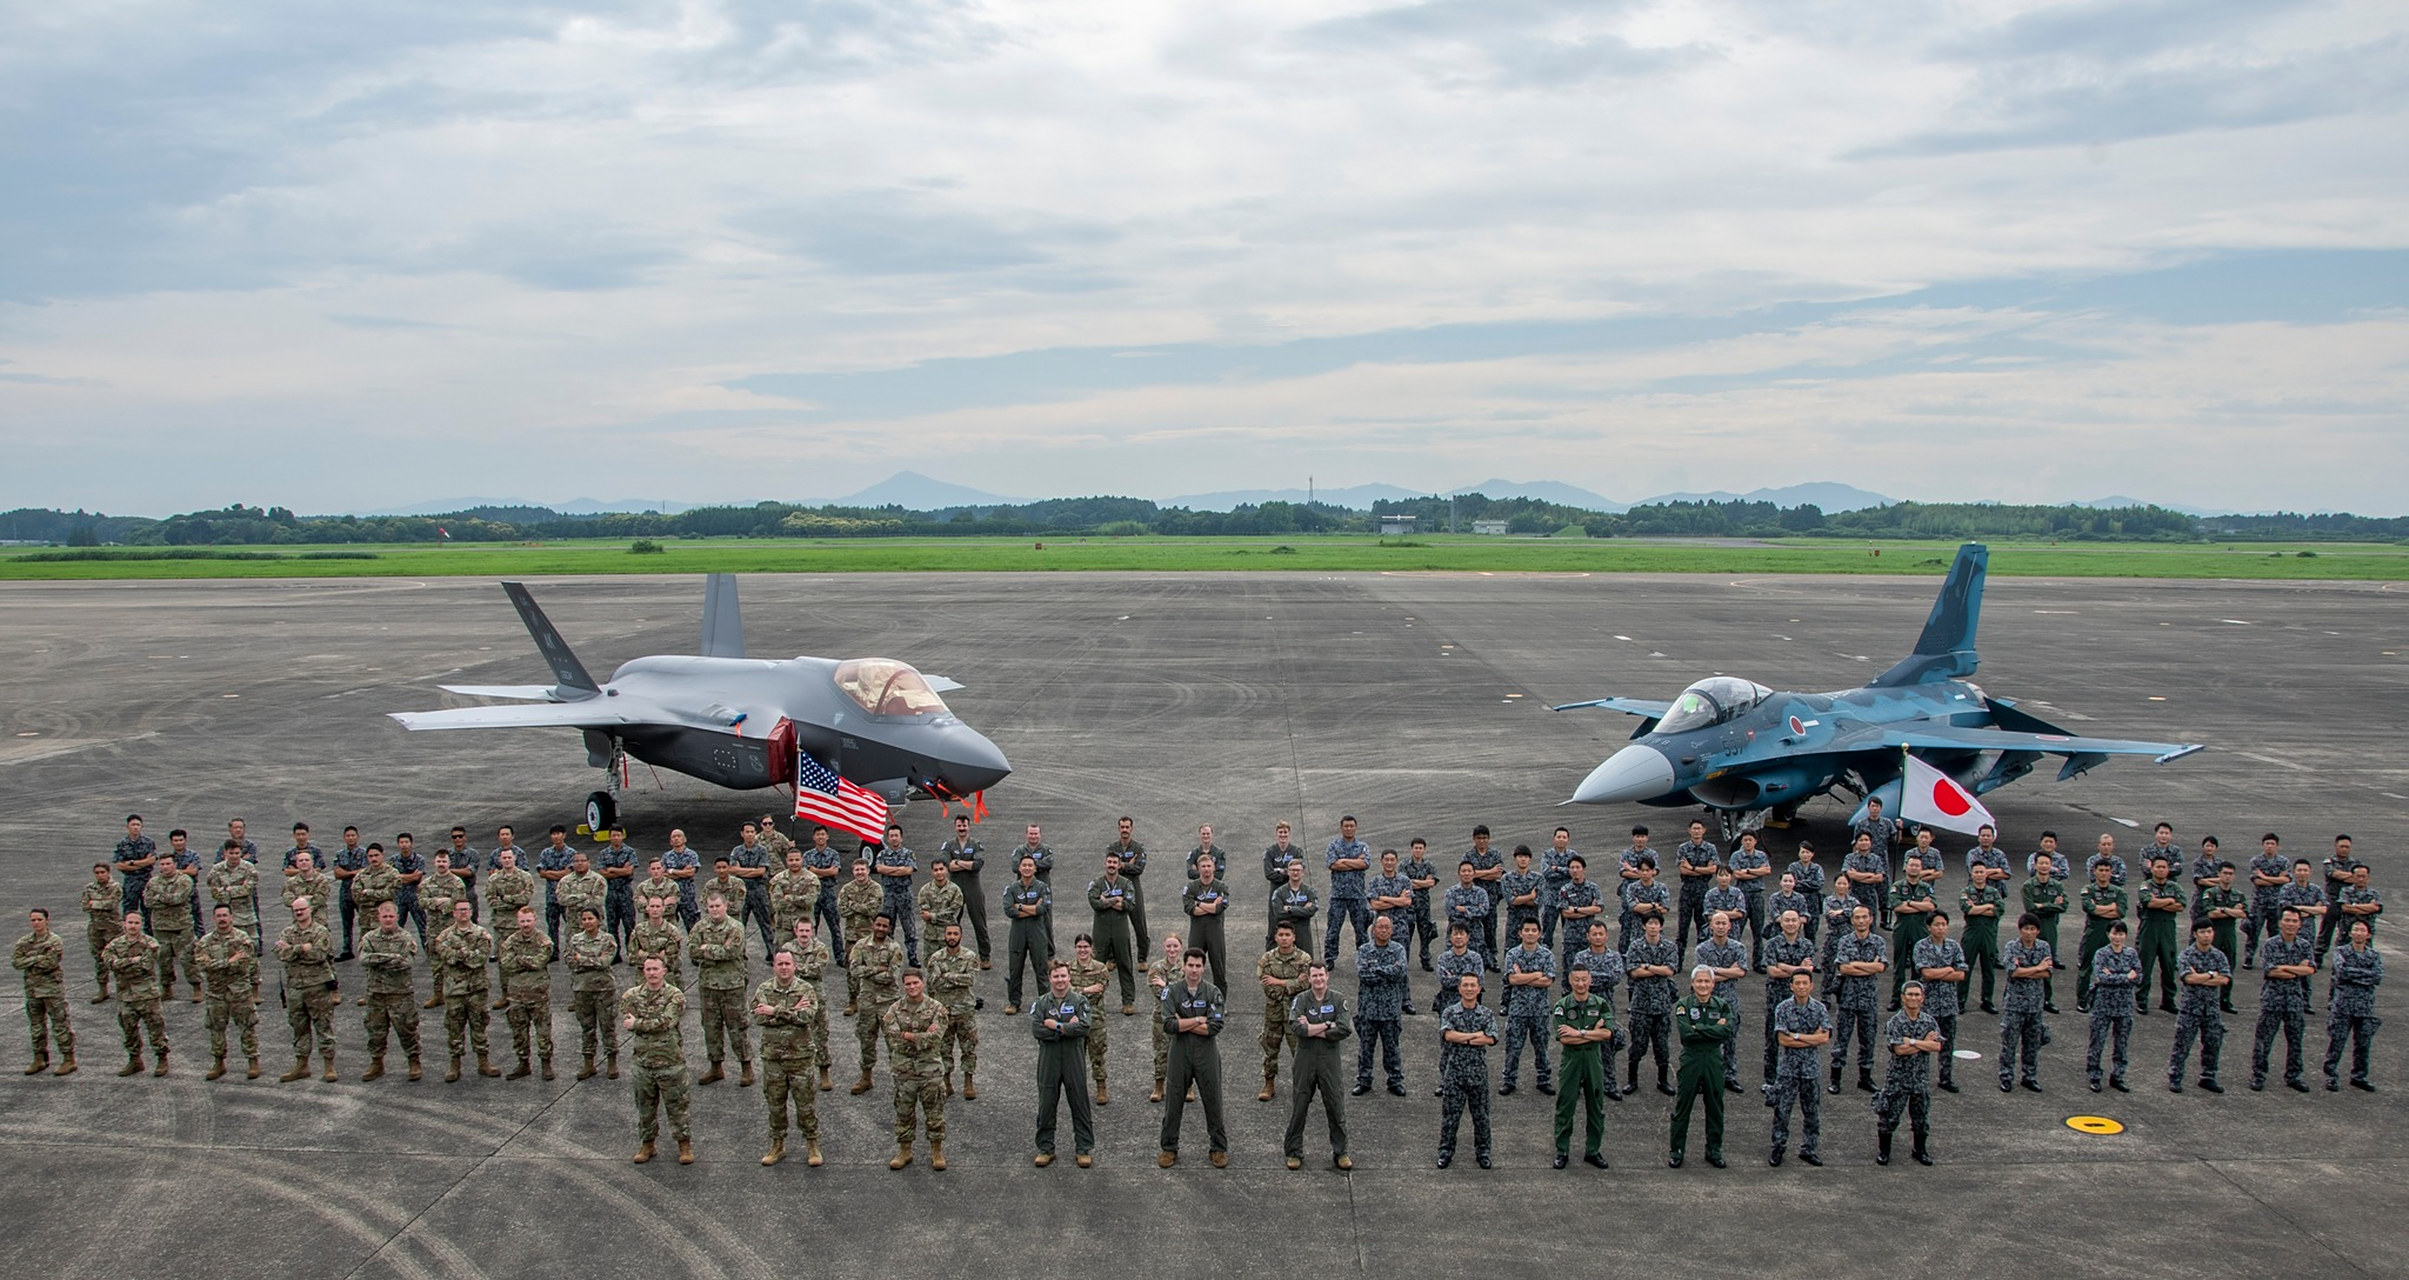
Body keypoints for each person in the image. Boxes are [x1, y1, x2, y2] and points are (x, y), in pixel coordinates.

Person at [753, 947, 825, 1167]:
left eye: (787, 964)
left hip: (800, 1057)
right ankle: (777, 1144)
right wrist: (790, 1011)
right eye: (779, 964)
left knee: (805, 1104)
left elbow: (807, 1016)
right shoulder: (764, 988)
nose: (784, 968)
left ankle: (812, 1144)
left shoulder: (806, 989)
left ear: (794, 966)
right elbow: (758, 1017)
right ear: (774, 966)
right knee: (775, 1104)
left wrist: (774, 1011)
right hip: (773, 1057)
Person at [1158, 948, 1228, 1168]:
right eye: (1190, 965)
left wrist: (1186, 1022)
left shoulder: (1213, 992)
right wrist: (1200, 1019)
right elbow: (1169, 1025)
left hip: (1206, 1052)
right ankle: (1169, 1148)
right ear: (1184, 966)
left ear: (1203, 967)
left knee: (1213, 1098)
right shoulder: (1172, 992)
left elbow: (1214, 1027)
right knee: (1174, 1100)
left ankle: (1218, 1147)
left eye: (1198, 966)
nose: (1194, 970)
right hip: (1180, 1052)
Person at [623, 956, 692, 1164]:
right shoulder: (632, 996)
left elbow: (666, 1022)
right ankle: (647, 1144)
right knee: (645, 1107)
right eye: (648, 969)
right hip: (643, 1061)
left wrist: (638, 1024)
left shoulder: (675, 995)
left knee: (677, 1106)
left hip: (670, 1062)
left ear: (664, 971)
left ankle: (684, 1144)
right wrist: (640, 1023)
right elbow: (627, 1019)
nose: (652, 973)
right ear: (643, 972)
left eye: (656, 969)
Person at [1284, 962, 1353, 1171]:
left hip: (1329, 1058)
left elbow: (1344, 1028)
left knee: (1335, 1104)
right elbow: (1296, 1026)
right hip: (1305, 1057)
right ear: (1309, 978)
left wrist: (1313, 1027)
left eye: (1321, 975)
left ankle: (1341, 1152)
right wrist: (1327, 1024)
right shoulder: (1301, 1000)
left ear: (1327, 976)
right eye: (1314, 976)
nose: (1318, 979)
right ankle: (1294, 1151)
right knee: (1300, 1105)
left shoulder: (1339, 999)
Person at [1668, 966, 1736, 1169]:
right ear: (1692, 983)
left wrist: (1700, 1028)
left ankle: (1714, 1150)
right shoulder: (1683, 1005)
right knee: (1683, 1105)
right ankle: (1676, 1150)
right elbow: (1687, 1034)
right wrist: (1713, 1029)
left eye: (1707, 981)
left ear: (1713, 984)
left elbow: (1726, 1032)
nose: (1703, 985)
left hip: (1714, 1059)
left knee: (1715, 1106)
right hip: (1691, 1059)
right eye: (1699, 981)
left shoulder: (1722, 1006)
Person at [883, 968, 950, 1170]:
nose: (912, 987)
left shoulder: (937, 1008)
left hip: (930, 1069)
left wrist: (907, 1035)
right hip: (904, 1069)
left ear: (923, 983)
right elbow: (890, 1034)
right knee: (904, 1111)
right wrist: (920, 1035)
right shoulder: (895, 1009)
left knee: (934, 1112)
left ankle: (936, 1151)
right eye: (908, 984)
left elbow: (936, 1037)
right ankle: (905, 1151)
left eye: (915, 983)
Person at [1031, 960, 1097, 1168]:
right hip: (1049, 1059)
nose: (1060, 980)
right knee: (1047, 1103)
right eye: (1056, 976)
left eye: (1063, 976)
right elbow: (1037, 1030)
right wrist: (1068, 1028)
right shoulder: (1041, 1003)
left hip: (1073, 1058)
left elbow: (1085, 1028)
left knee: (1079, 1101)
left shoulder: (1080, 1001)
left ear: (1069, 977)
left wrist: (1056, 1026)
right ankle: (1046, 1148)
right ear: (1050, 978)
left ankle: (1083, 1148)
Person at [1550, 965, 1615, 1170]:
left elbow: (1607, 1034)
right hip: (1571, 1061)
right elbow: (1564, 1038)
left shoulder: (1601, 1004)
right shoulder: (1562, 1006)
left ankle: (1593, 1150)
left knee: (1596, 1106)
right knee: (1565, 1105)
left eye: (1584, 979)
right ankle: (1562, 1150)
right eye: (1576, 979)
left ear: (1590, 981)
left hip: (1593, 1060)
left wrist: (1579, 1034)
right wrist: (1591, 1032)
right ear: (1570, 981)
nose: (1580, 984)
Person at [1874, 983, 1944, 1166]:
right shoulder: (1895, 1022)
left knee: (1921, 1118)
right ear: (1903, 997)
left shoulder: (1929, 1021)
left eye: (1917, 995)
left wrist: (1911, 1041)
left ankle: (1919, 1150)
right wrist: (1922, 1043)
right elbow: (1898, 1050)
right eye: (1910, 994)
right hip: (1897, 1078)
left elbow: (1937, 1046)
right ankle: (1884, 1151)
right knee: (1889, 1116)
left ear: (1922, 998)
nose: (1913, 998)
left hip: (1920, 1078)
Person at [431, 899, 501, 1082]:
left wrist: (458, 955)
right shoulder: (444, 936)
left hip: (476, 988)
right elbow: (445, 956)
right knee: (454, 1027)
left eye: (466, 910)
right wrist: (466, 955)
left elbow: (479, 960)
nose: (463, 913)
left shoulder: (481, 934)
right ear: (453, 913)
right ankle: (455, 1065)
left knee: (479, 1025)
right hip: (454, 990)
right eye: (459, 910)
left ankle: (483, 1062)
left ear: (471, 912)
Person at [689, 893, 753, 1087]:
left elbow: (732, 951)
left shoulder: (735, 927)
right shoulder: (700, 927)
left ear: (726, 906)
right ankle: (716, 1066)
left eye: (718, 906)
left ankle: (746, 1067)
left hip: (732, 985)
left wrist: (706, 948)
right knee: (711, 1028)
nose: (714, 909)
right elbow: (692, 951)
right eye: (711, 906)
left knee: (737, 1027)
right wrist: (717, 949)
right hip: (708, 985)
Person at [356, 900, 423, 1083]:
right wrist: (391, 958)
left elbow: (407, 962)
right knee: (375, 1031)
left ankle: (414, 1061)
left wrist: (378, 960)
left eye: (391, 916)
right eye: (384, 916)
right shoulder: (369, 937)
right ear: (378, 917)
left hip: (400, 993)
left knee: (407, 1029)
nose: (387, 920)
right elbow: (363, 959)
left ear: (397, 917)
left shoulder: (405, 938)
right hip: (376, 993)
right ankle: (377, 1062)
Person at [1436, 973, 1498, 1169]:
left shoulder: (1486, 1013)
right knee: (1450, 1117)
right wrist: (1475, 1036)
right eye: (1466, 985)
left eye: (1473, 985)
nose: (1469, 989)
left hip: (1478, 1073)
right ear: (1459, 989)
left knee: (1481, 1117)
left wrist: (1464, 1037)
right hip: (1454, 1073)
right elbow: (1448, 1035)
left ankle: (1483, 1152)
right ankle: (1445, 1152)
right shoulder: (1450, 1012)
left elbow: (1491, 1039)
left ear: (1479, 989)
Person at [2251, 908, 2317, 1092]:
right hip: (2272, 999)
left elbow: (2310, 970)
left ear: (2299, 924)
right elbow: (2271, 971)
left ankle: (2294, 1075)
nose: (2290, 924)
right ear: (2280, 922)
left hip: (2295, 1000)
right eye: (2287, 920)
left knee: (2296, 1040)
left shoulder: (2304, 945)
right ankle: (2258, 1075)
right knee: (2264, 1040)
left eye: (2294, 921)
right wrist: (2296, 969)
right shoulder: (2271, 944)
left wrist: (2286, 969)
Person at [1767, 970, 1828, 1167]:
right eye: (1797, 983)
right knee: (1782, 1111)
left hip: (1811, 1070)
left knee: (1812, 1112)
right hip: (1787, 1070)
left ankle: (1809, 1149)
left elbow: (1824, 1037)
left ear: (1811, 986)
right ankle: (1778, 1147)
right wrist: (1810, 1039)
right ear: (1791, 986)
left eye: (1805, 983)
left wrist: (1796, 1036)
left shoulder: (1819, 1009)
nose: (1801, 987)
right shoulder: (1783, 1008)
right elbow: (1782, 1039)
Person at [194, 905, 256, 1079]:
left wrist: (217, 964)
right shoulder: (204, 941)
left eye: (225, 915)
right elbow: (203, 965)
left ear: (231, 917)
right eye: (218, 916)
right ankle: (219, 1062)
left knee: (247, 1027)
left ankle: (252, 1061)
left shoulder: (242, 938)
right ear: (213, 919)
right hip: (216, 992)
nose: (222, 919)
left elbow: (243, 964)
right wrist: (229, 961)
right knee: (216, 1028)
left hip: (239, 991)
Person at [1829, 906, 1886, 1095]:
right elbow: (1844, 968)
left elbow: (1881, 968)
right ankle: (1835, 1078)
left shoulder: (1878, 941)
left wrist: (1857, 965)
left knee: (1868, 1039)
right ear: (1852, 920)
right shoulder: (1845, 941)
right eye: (1857, 918)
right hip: (1848, 997)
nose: (1861, 921)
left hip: (1868, 999)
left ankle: (1865, 1077)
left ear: (1870, 919)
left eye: (1864, 917)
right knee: (1842, 1039)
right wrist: (1869, 966)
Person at [2170, 921, 2232, 1093]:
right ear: (2195, 934)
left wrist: (2201, 976)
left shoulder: (2219, 956)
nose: (2206, 935)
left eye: (2209, 931)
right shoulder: (2187, 955)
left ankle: (2208, 1076)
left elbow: (2225, 979)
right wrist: (2212, 975)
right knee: (2182, 1044)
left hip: (2211, 1008)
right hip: (2190, 1008)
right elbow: (2188, 978)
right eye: (2202, 932)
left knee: (2213, 1043)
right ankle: (2175, 1076)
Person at [848, 914, 907, 1094]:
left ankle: (900, 1080)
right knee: (866, 1040)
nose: (881, 929)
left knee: (894, 1043)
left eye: (885, 926)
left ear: (889, 928)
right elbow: (854, 970)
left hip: (888, 1003)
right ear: (873, 925)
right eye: (878, 925)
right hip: (867, 1001)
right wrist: (876, 969)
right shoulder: (861, 945)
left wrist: (869, 973)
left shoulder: (894, 948)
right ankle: (866, 1077)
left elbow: (891, 976)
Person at [1499, 918, 1558, 1096]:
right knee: (1513, 1046)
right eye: (1527, 930)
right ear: (1520, 933)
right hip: (1518, 1009)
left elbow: (1548, 981)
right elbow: (1512, 979)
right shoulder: (1512, 954)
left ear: (1539, 933)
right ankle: (1509, 1079)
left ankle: (1543, 1079)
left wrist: (1524, 976)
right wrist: (1536, 975)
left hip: (1540, 1009)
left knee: (1541, 1046)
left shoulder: (1547, 955)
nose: (1530, 933)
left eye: (1534, 930)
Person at [498, 905, 557, 1081]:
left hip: (538, 994)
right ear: (518, 922)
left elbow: (540, 961)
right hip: (516, 994)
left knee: (543, 1031)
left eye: (528, 920)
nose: (525, 924)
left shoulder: (543, 940)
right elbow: (505, 963)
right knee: (519, 1032)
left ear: (534, 920)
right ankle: (523, 1063)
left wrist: (519, 959)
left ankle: (546, 1064)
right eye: (522, 921)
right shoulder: (510, 940)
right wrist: (527, 961)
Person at [1760, 910, 1816, 1094]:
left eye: (1794, 920)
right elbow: (1773, 972)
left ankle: (1797, 1078)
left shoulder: (1807, 945)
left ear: (1800, 923)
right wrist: (1798, 969)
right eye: (1787, 920)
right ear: (1781, 923)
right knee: (1773, 1038)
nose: (1791, 923)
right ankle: (1771, 1080)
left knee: (1799, 1037)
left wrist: (1784, 966)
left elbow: (1806, 974)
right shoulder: (1772, 944)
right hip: (1776, 996)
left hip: (1800, 1000)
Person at [1353, 915, 1409, 1097]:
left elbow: (1399, 972)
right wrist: (1387, 972)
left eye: (1387, 927)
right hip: (1368, 1009)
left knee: (1392, 1048)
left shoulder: (1398, 949)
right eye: (1380, 927)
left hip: (1391, 1009)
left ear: (1392, 930)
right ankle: (1364, 1079)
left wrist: (1377, 970)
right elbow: (1364, 975)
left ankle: (1395, 1080)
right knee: (1365, 1048)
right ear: (1374, 929)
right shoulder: (1364, 950)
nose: (1383, 930)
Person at [1911, 911, 1966, 1093]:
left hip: (1949, 1004)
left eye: (1944, 924)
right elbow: (1926, 973)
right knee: (1923, 1043)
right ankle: (1919, 1078)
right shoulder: (1921, 946)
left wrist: (1941, 972)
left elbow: (1961, 974)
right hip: (1928, 1004)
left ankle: (1945, 1077)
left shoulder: (1954, 946)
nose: (1941, 928)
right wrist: (1949, 969)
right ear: (1929, 927)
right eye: (1937, 924)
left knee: (1947, 1044)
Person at [1255, 922, 1311, 1102]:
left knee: (1299, 1050)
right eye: (1281, 935)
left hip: (1296, 1012)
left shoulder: (1304, 959)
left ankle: (1302, 1086)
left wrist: (1279, 982)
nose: (1284, 938)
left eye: (1288, 934)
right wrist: (1291, 984)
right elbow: (1266, 985)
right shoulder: (1267, 959)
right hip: (1274, 1011)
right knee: (1270, 1049)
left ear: (1294, 937)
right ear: (1276, 937)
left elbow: (1305, 983)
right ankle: (1269, 1083)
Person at [13, 908, 73, 1076]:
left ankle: (68, 1059)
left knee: (60, 1025)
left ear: (47, 920)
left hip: (51, 989)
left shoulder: (54, 940)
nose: (36, 923)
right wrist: (38, 958)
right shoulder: (25, 941)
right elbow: (16, 962)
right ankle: (39, 1057)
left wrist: (30, 960)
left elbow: (51, 963)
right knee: (36, 1026)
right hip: (33, 990)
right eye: (33, 920)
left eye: (39, 919)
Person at [1624, 915, 1678, 1097]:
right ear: (1644, 926)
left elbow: (1670, 971)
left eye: (1656, 924)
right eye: (1650, 923)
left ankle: (1663, 1080)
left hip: (1662, 1004)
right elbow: (1633, 972)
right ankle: (1632, 1080)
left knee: (1662, 1045)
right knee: (1638, 1045)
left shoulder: (1670, 947)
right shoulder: (1635, 946)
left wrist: (1646, 966)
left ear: (1661, 927)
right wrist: (1657, 968)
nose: (1653, 927)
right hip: (1641, 1003)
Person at [925, 921, 979, 1100]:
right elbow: (933, 982)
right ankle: (946, 1082)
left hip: (965, 1010)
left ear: (961, 936)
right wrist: (957, 978)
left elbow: (969, 980)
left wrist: (946, 976)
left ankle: (968, 1082)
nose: (952, 937)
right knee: (944, 1048)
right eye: (949, 934)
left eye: (955, 934)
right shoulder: (936, 958)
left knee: (969, 1047)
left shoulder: (970, 956)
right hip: (944, 1011)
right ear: (944, 936)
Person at [2325, 921, 2381, 1092]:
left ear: (2368, 935)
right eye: (2355, 929)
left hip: (2364, 1007)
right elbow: (2341, 972)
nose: (2358, 933)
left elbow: (2377, 976)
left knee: (2363, 1043)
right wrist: (2365, 975)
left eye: (2362, 930)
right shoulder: (2341, 952)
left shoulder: (2374, 955)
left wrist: (2353, 974)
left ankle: (2359, 1076)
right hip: (2343, 1005)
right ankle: (2331, 1075)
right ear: (2350, 933)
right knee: (2337, 1041)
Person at [566, 907, 621, 1080]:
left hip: (604, 989)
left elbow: (605, 962)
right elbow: (569, 961)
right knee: (587, 1028)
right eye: (584, 919)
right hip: (582, 989)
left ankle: (612, 1061)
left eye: (590, 918)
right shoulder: (575, 939)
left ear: (598, 920)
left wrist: (581, 959)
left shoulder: (607, 939)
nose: (587, 922)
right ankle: (588, 1063)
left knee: (608, 1026)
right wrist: (593, 960)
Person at [1998, 913, 2051, 1092]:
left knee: (2032, 1044)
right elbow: (2013, 972)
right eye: (2026, 929)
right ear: (2020, 930)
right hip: (2014, 1004)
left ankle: (2029, 1076)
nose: (2029, 933)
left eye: (2032, 929)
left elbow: (2047, 973)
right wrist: (2037, 968)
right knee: (2009, 1043)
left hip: (2035, 1005)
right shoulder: (2012, 946)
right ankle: (2006, 1076)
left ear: (2037, 931)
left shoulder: (2044, 947)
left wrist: (2026, 970)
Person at [1693, 911, 1747, 1087]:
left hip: (1729, 1001)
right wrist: (1727, 971)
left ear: (1729, 926)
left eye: (1724, 923)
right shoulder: (1702, 949)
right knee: (1705, 1040)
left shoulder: (1738, 948)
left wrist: (1714, 971)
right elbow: (1701, 977)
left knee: (1730, 1038)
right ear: (1711, 926)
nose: (1721, 926)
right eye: (1718, 923)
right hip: (1707, 1001)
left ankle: (1729, 1076)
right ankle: (1703, 1077)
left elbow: (1741, 972)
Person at [2086, 922, 2139, 1092]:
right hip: (2103, 1005)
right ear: (2109, 934)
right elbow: (2101, 977)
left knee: (2121, 1044)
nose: (2118, 937)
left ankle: (2118, 1075)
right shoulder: (2101, 954)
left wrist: (2115, 976)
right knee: (2097, 1042)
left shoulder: (2131, 954)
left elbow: (2138, 977)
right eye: (2115, 934)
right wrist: (2125, 977)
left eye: (2121, 934)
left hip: (2124, 1006)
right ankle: (2094, 1075)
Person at [1086, 852, 1139, 1012]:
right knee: (1097, 965)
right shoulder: (1096, 883)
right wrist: (1117, 900)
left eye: (1115, 862)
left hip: (1120, 927)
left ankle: (1128, 1001)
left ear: (1119, 865)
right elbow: (1094, 903)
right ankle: (1094, 1002)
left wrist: (1106, 901)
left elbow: (1130, 905)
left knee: (1125, 963)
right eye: (1109, 862)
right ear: (1105, 863)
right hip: (1101, 928)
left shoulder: (1126, 883)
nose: (1111, 865)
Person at [142, 855, 199, 1003]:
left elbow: (179, 899)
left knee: (187, 958)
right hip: (161, 926)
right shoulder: (153, 882)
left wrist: (159, 897)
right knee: (163, 959)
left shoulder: (184, 880)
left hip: (181, 925)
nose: (165, 867)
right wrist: (167, 899)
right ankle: (166, 989)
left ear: (175, 864)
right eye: (162, 864)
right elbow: (148, 902)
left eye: (168, 863)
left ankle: (196, 987)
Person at [2195, 860, 2249, 1015]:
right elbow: (2211, 913)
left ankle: (2225, 999)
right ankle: (2206, 999)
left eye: (2230, 874)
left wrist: (2223, 910)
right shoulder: (2210, 893)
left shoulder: (2238, 894)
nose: (2227, 877)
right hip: (2214, 931)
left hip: (2230, 932)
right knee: (2209, 964)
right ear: (2219, 874)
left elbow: (2243, 913)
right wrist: (2231, 910)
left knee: (2229, 965)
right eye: (2224, 873)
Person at [1066, 935, 1115, 1105]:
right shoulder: (1068, 968)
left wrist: (1077, 991)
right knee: (1075, 1058)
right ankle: (1077, 1091)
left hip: (1095, 1018)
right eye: (1079, 947)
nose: (1082, 950)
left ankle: (1101, 1087)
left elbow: (1098, 992)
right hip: (1074, 1018)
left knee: (1098, 1054)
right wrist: (1086, 989)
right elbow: (1065, 992)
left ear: (1091, 948)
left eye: (1085, 946)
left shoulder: (1101, 968)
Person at [2134, 856, 2186, 1015]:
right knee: (2145, 964)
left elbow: (2181, 906)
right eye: (2158, 867)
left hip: (2167, 928)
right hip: (2149, 927)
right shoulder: (2145, 885)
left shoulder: (2175, 887)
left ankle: (2168, 1000)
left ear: (2168, 869)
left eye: (2164, 867)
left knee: (2169, 965)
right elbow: (2148, 902)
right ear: (2152, 868)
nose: (2161, 869)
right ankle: (2142, 999)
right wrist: (2169, 901)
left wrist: (2161, 902)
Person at [1002, 856, 1051, 1015]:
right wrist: (1032, 909)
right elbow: (1009, 910)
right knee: (1015, 969)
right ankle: (1014, 1002)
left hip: (1037, 932)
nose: (1027, 868)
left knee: (1042, 969)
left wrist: (1021, 906)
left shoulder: (1043, 887)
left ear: (1035, 868)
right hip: (1017, 933)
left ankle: (1045, 1003)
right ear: (1020, 868)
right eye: (1024, 865)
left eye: (1030, 865)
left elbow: (1043, 909)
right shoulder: (1011, 888)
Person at [1324, 817, 1375, 969]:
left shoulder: (1362, 846)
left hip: (1357, 895)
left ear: (1355, 828)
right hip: (1338, 895)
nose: (1348, 828)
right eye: (1346, 826)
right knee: (1333, 929)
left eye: (1351, 826)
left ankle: (1364, 958)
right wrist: (1354, 862)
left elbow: (1365, 864)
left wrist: (1343, 861)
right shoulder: (1333, 845)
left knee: (1361, 930)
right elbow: (1332, 864)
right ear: (1341, 828)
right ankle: (1329, 958)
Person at [2075, 861, 2126, 1015]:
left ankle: (2108, 999)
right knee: (2086, 966)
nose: (2104, 873)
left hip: (2112, 932)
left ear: (2111, 873)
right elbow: (2090, 909)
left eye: (2107, 870)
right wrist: (2111, 907)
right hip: (2094, 931)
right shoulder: (2088, 890)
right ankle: (2082, 999)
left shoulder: (2118, 891)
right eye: (2101, 870)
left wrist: (2099, 909)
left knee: (2114, 966)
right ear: (2095, 872)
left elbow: (2121, 911)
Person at [1886, 854, 1935, 1008]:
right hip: (1902, 928)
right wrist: (1919, 904)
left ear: (1921, 869)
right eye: (1911, 865)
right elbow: (1897, 906)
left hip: (1920, 929)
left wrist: (1908, 902)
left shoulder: (1926, 887)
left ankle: (1917, 997)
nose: (1914, 868)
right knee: (1899, 964)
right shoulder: (1897, 886)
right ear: (1906, 867)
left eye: (1917, 866)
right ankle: (1897, 998)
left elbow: (1931, 907)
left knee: (1918, 965)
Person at [2021, 855, 2069, 1012]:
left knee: (2048, 961)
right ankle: (2026, 997)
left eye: (2046, 863)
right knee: (2028, 961)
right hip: (2032, 926)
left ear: (2051, 865)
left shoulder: (2057, 886)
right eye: (2040, 863)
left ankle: (2047, 998)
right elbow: (2030, 908)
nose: (2043, 866)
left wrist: (2041, 905)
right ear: (2035, 865)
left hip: (2049, 926)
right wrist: (2050, 905)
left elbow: (2063, 906)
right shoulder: (2028, 886)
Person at [939, 816, 986, 965]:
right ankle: (950, 954)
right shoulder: (949, 845)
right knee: (952, 922)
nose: (962, 828)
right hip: (955, 887)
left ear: (969, 827)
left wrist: (957, 862)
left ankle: (985, 956)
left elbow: (977, 865)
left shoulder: (976, 844)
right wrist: (967, 864)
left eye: (964, 825)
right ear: (955, 827)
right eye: (959, 826)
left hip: (973, 887)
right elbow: (947, 865)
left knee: (979, 922)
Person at [1960, 864, 2007, 1014]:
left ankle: (1987, 1000)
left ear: (1986, 874)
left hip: (1988, 934)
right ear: (1971, 874)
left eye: (1981, 872)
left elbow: (1999, 910)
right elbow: (1968, 910)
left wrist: (1979, 908)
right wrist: (1988, 907)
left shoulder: (1993, 892)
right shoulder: (1966, 891)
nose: (1979, 875)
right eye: (1976, 872)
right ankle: (1960, 1000)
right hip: (1971, 934)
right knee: (1965, 967)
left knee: (1989, 968)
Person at [1145, 930, 1185, 1102]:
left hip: (1182, 1017)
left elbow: (1187, 992)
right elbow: (1158, 992)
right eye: (1168, 946)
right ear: (1164, 947)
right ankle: (1159, 1085)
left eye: (1175, 946)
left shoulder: (1187, 967)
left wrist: (1167, 985)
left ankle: (1187, 1086)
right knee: (1161, 1052)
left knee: (1184, 1053)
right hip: (1161, 1017)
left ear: (1181, 948)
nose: (1172, 949)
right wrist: (1172, 989)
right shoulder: (1156, 968)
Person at [872, 824, 921, 966]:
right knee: (887, 928)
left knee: (909, 928)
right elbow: (880, 868)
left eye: (896, 836)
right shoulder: (882, 854)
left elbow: (908, 871)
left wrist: (890, 870)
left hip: (904, 895)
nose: (894, 838)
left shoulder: (908, 853)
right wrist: (898, 869)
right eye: (891, 836)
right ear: (888, 838)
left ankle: (912, 957)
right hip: (889, 896)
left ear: (901, 837)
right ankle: (888, 957)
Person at [728, 822, 777, 958]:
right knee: (739, 924)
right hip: (741, 892)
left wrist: (742, 871)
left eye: (752, 832)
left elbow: (761, 871)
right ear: (742, 834)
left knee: (765, 923)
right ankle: (739, 953)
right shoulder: (737, 850)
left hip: (758, 890)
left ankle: (772, 953)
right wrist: (752, 870)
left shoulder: (762, 850)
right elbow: (732, 869)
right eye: (747, 832)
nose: (750, 834)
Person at [1184, 855, 1232, 991]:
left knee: (1219, 969)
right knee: (1192, 968)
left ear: (1214, 867)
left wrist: (1199, 903)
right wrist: (1210, 907)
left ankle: (1220, 1003)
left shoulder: (1221, 887)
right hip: (1197, 932)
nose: (1206, 869)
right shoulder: (1191, 887)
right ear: (1198, 869)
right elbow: (1191, 909)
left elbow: (1219, 908)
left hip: (1215, 933)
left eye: (1209, 866)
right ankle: (1193, 1000)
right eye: (1203, 866)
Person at [838, 860, 883, 1003]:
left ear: (868, 871)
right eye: (857, 870)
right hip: (852, 936)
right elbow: (842, 911)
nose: (860, 872)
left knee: (871, 968)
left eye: (862, 869)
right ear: (853, 872)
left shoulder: (876, 888)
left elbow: (874, 910)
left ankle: (870, 1000)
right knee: (852, 968)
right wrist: (862, 907)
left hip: (870, 936)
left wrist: (852, 905)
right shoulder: (846, 889)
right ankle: (853, 1000)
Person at [1675, 821, 1719, 960]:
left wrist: (1692, 868)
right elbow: (1682, 870)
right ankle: (1679, 960)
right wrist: (1702, 870)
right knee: (1683, 928)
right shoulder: (1683, 848)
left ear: (1704, 830)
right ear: (1689, 830)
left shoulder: (1710, 848)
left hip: (1703, 891)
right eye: (1694, 829)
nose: (1696, 831)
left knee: (1703, 927)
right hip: (1687, 890)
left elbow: (1713, 870)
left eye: (1699, 829)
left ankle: (1702, 959)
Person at [1105, 815, 1146, 965]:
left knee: (1139, 923)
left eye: (1127, 827)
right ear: (1118, 829)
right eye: (1122, 827)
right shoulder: (1112, 848)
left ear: (1132, 829)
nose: (1124, 830)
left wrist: (1122, 865)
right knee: (1113, 923)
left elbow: (1139, 868)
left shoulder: (1138, 848)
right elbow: (1110, 868)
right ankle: (1112, 957)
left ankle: (1142, 958)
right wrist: (1128, 864)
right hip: (1116, 887)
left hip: (1133, 887)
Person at [1727, 833, 1772, 968]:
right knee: (1737, 930)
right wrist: (1756, 872)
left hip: (1757, 895)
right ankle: (1736, 961)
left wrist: (1746, 871)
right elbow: (1736, 874)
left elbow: (1767, 870)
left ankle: (1758, 962)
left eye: (1750, 840)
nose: (1747, 843)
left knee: (1758, 930)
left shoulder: (1761, 855)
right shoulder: (1736, 856)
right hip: (1741, 895)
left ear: (1755, 841)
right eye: (1745, 840)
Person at [2245, 834, 2290, 965]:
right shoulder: (2256, 861)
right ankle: (2249, 956)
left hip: (2277, 903)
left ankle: (2274, 957)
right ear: (2263, 845)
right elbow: (2257, 881)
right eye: (2267, 843)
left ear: (2277, 846)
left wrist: (2264, 876)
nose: (2269, 846)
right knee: (2254, 930)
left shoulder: (2283, 861)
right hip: (2260, 902)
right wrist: (2276, 880)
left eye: (2272, 844)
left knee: (2275, 932)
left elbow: (2286, 880)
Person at [1552, 856, 1606, 963]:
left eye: (1577, 867)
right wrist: (1589, 910)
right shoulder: (1565, 890)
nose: (1575, 870)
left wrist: (1576, 909)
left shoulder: (1593, 888)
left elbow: (1598, 908)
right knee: (1570, 969)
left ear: (1584, 869)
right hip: (1571, 937)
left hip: (1590, 935)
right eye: (1572, 868)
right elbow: (1566, 913)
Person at [2320, 835, 2364, 961]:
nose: (2344, 849)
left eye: (2347, 847)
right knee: (2326, 930)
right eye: (2342, 846)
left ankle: (2345, 958)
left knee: (2346, 932)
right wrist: (2351, 876)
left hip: (2349, 901)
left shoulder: (2356, 863)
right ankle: (2318, 956)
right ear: (2336, 846)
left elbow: (2357, 878)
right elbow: (2333, 874)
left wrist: (2345, 876)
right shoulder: (2329, 862)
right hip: (2332, 900)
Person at [112, 815, 158, 933]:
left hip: (146, 881)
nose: (136, 827)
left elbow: (151, 860)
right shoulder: (122, 844)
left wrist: (131, 863)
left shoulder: (148, 842)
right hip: (130, 882)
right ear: (127, 827)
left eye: (138, 825)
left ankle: (149, 938)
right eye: (133, 825)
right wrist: (143, 862)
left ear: (142, 826)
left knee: (149, 912)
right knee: (129, 912)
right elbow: (119, 865)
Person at [79, 865, 118, 1003]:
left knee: (116, 957)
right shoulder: (90, 887)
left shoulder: (115, 887)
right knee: (98, 958)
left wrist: (94, 903)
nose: (100, 875)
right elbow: (84, 905)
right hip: (95, 927)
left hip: (112, 927)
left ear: (108, 873)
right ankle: (103, 989)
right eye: (97, 872)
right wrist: (100, 903)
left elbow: (111, 904)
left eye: (103, 872)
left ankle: (122, 987)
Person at [1403, 839, 1441, 968]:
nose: (1418, 850)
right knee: (1407, 933)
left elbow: (1432, 883)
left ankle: (1425, 959)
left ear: (1424, 849)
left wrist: (1414, 882)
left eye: (1420, 848)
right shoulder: (1404, 865)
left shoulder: (1429, 865)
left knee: (1425, 932)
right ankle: (1404, 959)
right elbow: (1404, 884)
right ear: (1411, 849)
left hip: (1424, 904)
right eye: (1416, 848)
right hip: (1409, 904)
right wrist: (1423, 883)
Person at [1500, 845, 1546, 950]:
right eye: (1520, 856)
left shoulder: (1538, 878)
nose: (1523, 859)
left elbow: (1538, 902)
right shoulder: (1507, 878)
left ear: (1530, 859)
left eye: (1526, 856)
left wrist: (1519, 898)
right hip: (1514, 923)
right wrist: (1530, 896)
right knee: (1511, 952)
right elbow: (1511, 900)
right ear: (1515, 858)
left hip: (1532, 923)